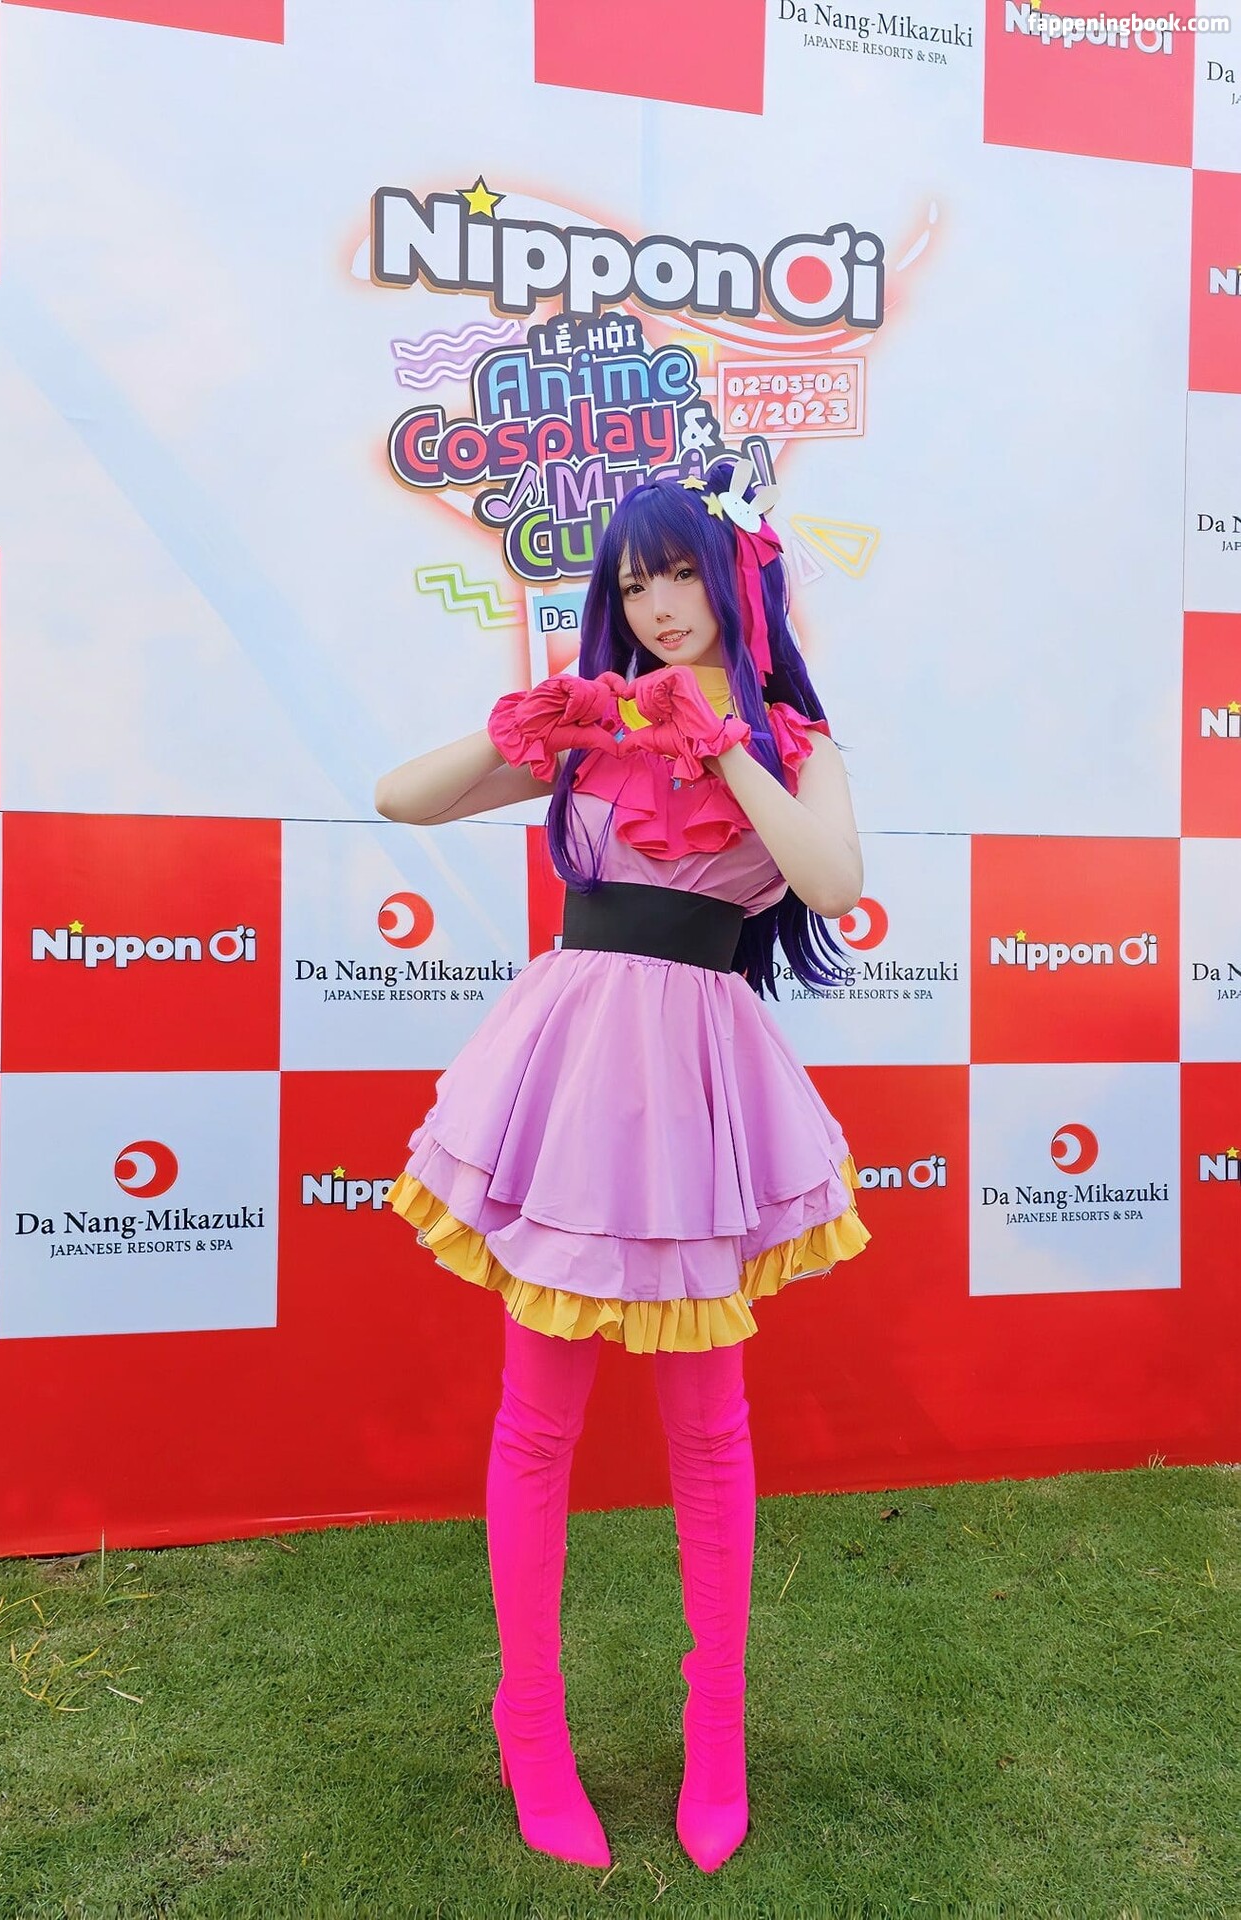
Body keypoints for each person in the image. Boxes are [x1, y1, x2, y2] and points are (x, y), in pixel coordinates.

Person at [374, 456, 871, 1875]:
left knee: (710, 1428)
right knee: (538, 1422)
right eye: (634, 580)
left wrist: (723, 747)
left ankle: (718, 1733)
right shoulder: (593, 727)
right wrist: (532, 726)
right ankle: (530, 1726)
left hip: (699, 1089)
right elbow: (402, 799)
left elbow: (834, 883)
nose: (657, 605)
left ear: (737, 581)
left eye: (680, 573)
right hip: (575, 1076)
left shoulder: (794, 745)